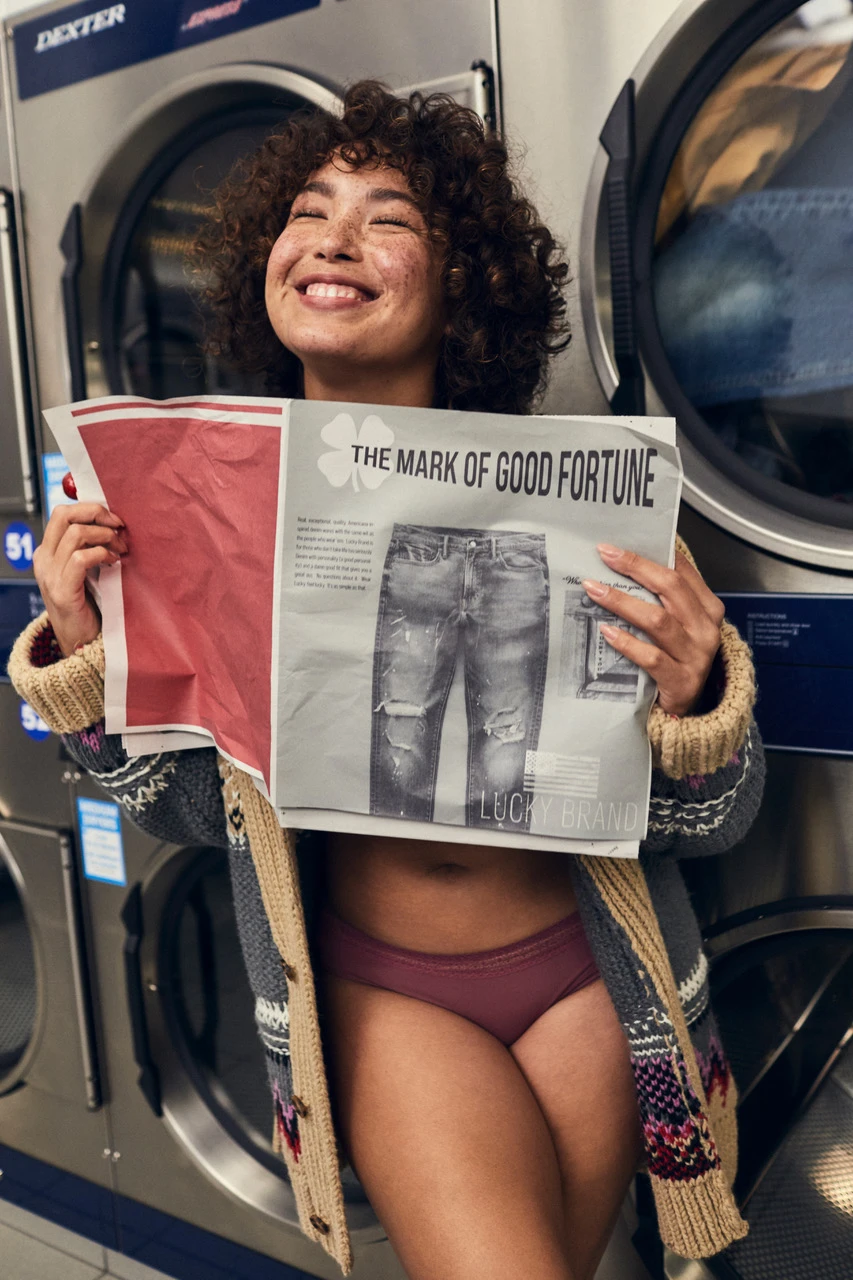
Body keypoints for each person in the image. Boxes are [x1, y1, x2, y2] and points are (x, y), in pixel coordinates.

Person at [10, 83, 764, 1280]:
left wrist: (690, 701)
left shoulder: (586, 499)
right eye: (308, 211)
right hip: (389, 993)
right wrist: (87, 657)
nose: (334, 240)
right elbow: (189, 814)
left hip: (593, 973)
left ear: (463, 279)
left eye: (388, 218)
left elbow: (715, 819)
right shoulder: (197, 515)